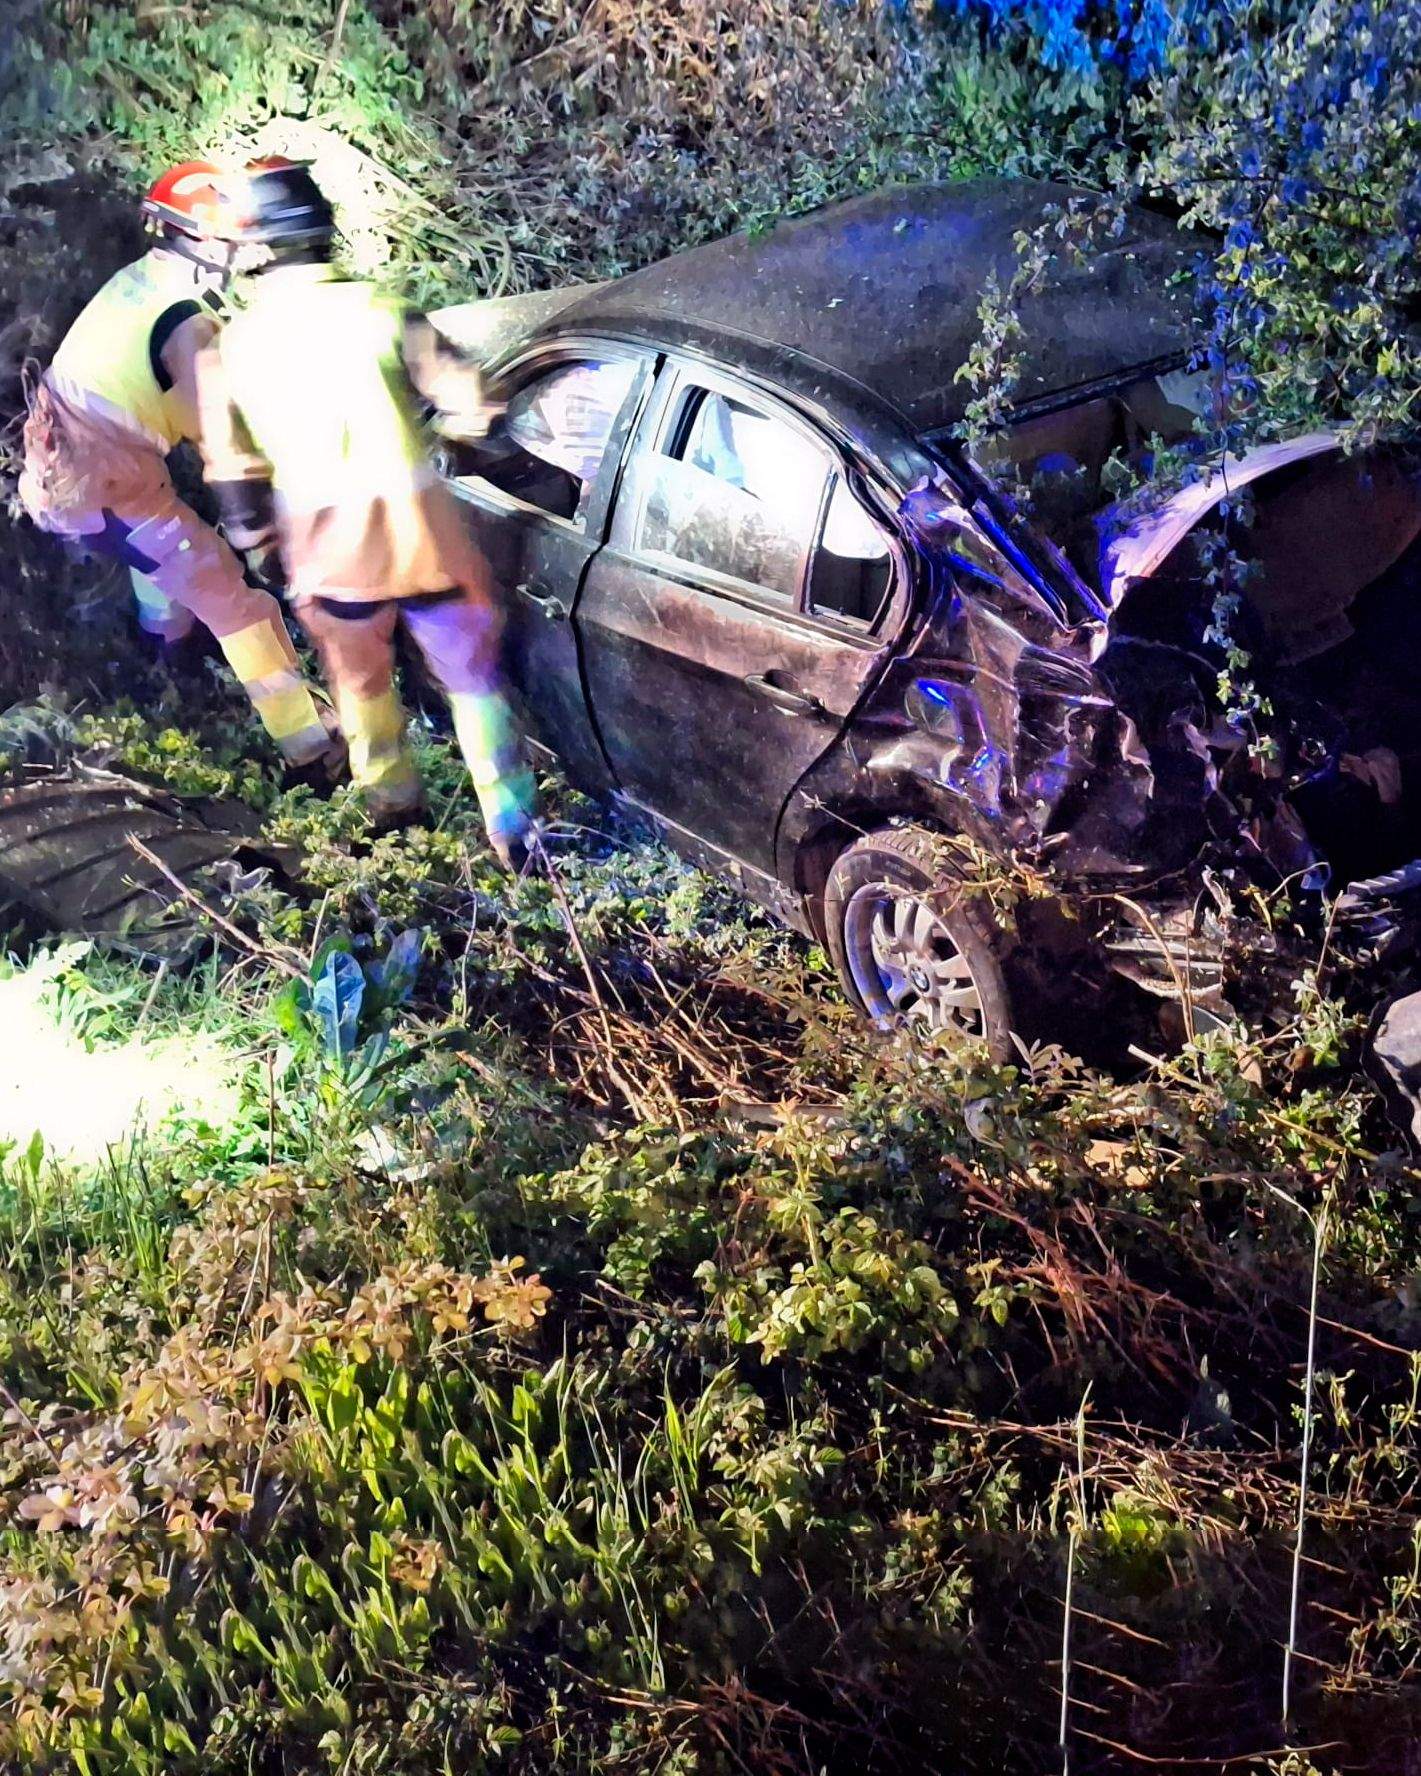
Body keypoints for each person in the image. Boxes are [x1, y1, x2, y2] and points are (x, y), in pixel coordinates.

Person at [197, 158, 537, 868]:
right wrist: (471, 434)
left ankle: (396, 817)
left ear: (255, 248)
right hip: (424, 546)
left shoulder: (229, 344)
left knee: (361, 688)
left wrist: (259, 545)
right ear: (323, 233)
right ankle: (514, 833)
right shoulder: (383, 310)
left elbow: (232, 469)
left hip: (332, 561)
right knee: (473, 682)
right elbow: (470, 403)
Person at [17, 162, 339, 779]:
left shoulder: (140, 281)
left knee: (159, 564)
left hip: (67, 477)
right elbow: (221, 444)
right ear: (212, 241)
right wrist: (255, 526)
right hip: (108, 487)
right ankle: (311, 749)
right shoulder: (191, 326)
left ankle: (169, 665)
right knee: (235, 601)